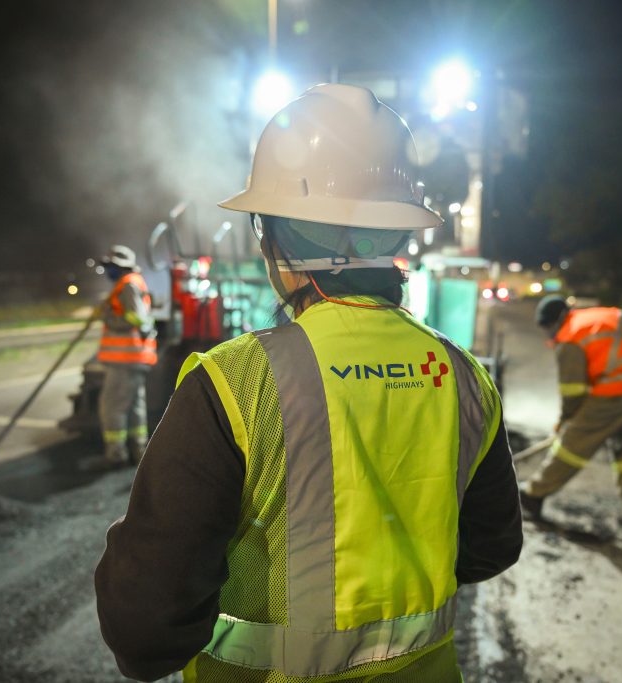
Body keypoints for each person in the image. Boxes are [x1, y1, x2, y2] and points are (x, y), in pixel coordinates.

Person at [95, 84, 523, 682]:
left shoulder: (234, 383)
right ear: (398, 234)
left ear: (274, 239)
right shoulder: (463, 376)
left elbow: (145, 628)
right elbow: (491, 548)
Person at [520, 295, 622, 538]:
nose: (548, 335)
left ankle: (533, 495)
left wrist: (566, 423)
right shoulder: (604, 315)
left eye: (546, 329)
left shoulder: (569, 338)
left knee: (572, 445)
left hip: (617, 391)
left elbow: (573, 393)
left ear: (554, 323)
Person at [97, 244, 157, 466]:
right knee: (134, 406)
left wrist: (109, 318)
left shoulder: (128, 285)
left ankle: (116, 455)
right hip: (134, 358)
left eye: (110, 266)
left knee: (112, 405)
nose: (108, 271)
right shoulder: (131, 283)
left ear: (120, 267)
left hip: (125, 359)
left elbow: (138, 318)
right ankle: (139, 451)